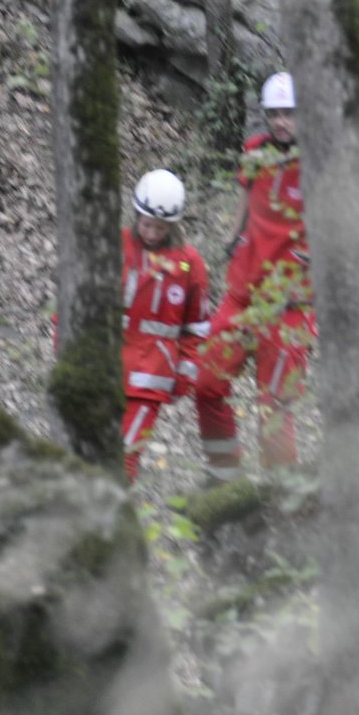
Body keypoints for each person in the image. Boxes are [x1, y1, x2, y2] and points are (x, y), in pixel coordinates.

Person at [191, 72, 316, 476]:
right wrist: (229, 243)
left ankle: (285, 500)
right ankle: (225, 475)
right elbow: (244, 202)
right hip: (242, 296)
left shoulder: (317, 167)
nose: (282, 122)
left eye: (290, 114)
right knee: (207, 385)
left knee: (275, 409)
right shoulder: (255, 151)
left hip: (289, 308)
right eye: (275, 114)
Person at [118, 168, 211, 484]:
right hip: (108, 365)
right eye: (146, 224)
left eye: (160, 227)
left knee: (126, 456)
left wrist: (184, 376)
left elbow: (197, 328)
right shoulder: (118, 245)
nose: (152, 233)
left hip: (151, 379)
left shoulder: (190, 264)